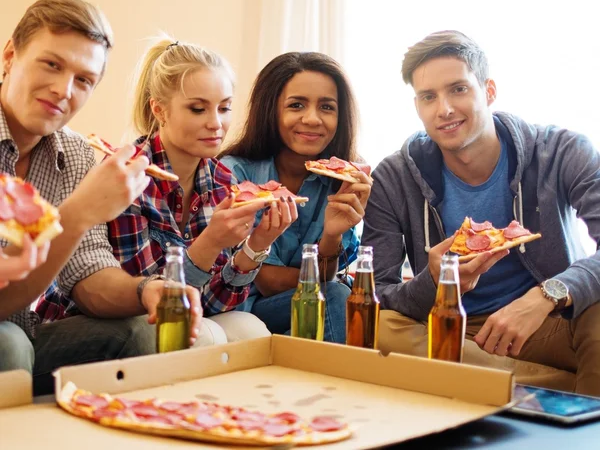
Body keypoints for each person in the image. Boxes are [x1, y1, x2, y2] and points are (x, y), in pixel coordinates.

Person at [362, 30, 600, 395]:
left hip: (546, 321)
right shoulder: (393, 176)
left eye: (458, 89)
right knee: (381, 328)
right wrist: (435, 280)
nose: (444, 109)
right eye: (429, 97)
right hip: (452, 327)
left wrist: (545, 296)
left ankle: (492, 386)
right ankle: (555, 390)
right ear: (417, 106)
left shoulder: (563, 151)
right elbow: (378, 292)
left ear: (488, 91)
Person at [0, 0, 201, 394]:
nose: (63, 89)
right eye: (51, 64)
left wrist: (146, 290)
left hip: (32, 333)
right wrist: (75, 215)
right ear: (10, 56)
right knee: (8, 343)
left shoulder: (74, 153)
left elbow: (89, 272)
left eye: (84, 80)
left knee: (142, 333)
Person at [106, 38, 299, 345]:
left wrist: (256, 245)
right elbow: (151, 301)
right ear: (160, 110)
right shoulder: (126, 175)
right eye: (198, 109)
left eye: (224, 108)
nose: (216, 123)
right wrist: (210, 242)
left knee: (249, 329)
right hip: (120, 322)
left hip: (180, 314)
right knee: (206, 337)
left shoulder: (222, 179)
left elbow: (216, 303)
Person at [220, 52, 372, 344]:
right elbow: (267, 281)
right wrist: (331, 281)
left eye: (327, 107)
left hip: (311, 306)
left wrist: (332, 235)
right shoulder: (235, 173)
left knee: (332, 310)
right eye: (296, 105)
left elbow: (328, 273)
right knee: (337, 296)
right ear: (270, 110)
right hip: (245, 310)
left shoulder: (344, 178)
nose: (312, 119)